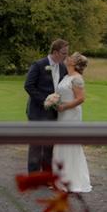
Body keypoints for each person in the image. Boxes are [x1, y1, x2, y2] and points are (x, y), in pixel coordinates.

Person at [24, 38, 69, 172]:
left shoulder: (62, 67)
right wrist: (45, 101)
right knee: (36, 145)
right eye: (64, 53)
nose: (66, 56)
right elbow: (28, 86)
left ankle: (46, 175)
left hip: (54, 113)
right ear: (55, 52)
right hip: (37, 111)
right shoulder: (38, 64)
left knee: (49, 146)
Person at [52, 52, 91, 193]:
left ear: (74, 63)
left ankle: (70, 180)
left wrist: (64, 106)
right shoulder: (66, 77)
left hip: (71, 115)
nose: (67, 58)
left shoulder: (77, 79)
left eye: (71, 57)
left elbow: (81, 98)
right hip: (62, 115)